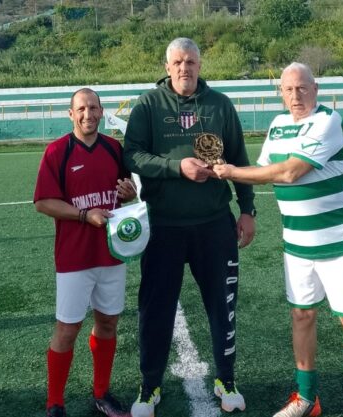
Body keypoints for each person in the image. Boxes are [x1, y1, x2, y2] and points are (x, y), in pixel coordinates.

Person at [213, 62, 343, 417]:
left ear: (315, 89)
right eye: (288, 89)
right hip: (297, 244)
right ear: (281, 93)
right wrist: (228, 172)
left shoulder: (328, 120)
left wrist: (231, 171)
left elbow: (289, 172)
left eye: (302, 87)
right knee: (302, 316)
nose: (295, 95)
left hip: (338, 241)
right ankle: (306, 399)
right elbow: (263, 171)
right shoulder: (278, 124)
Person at [123, 37, 256, 416]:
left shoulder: (220, 105)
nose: (185, 68)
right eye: (178, 62)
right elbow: (131, 155)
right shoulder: (148, 105)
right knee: (155, 308)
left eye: (191, 62)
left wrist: (247, 209)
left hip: (214, 224)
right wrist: (176, 167)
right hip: (163, 226)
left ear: (200, 65)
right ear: (167, 67)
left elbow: (239, 158)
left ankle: (226, 379)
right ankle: (150, 386)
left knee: (223, 305)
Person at [33, 88, 137, 417]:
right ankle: (54, 402)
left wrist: (130, 192)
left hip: (111, 253)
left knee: (107, 323)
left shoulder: (113, 149)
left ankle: (102, 393)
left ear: (102, 111)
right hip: (74, 256)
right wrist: (83, 215)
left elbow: (128, 193)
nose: (88, 114)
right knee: (68, 328)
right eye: (81, 109)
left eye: (93, 108)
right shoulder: (57, 151)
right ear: (71, 114)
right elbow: (43, 202)